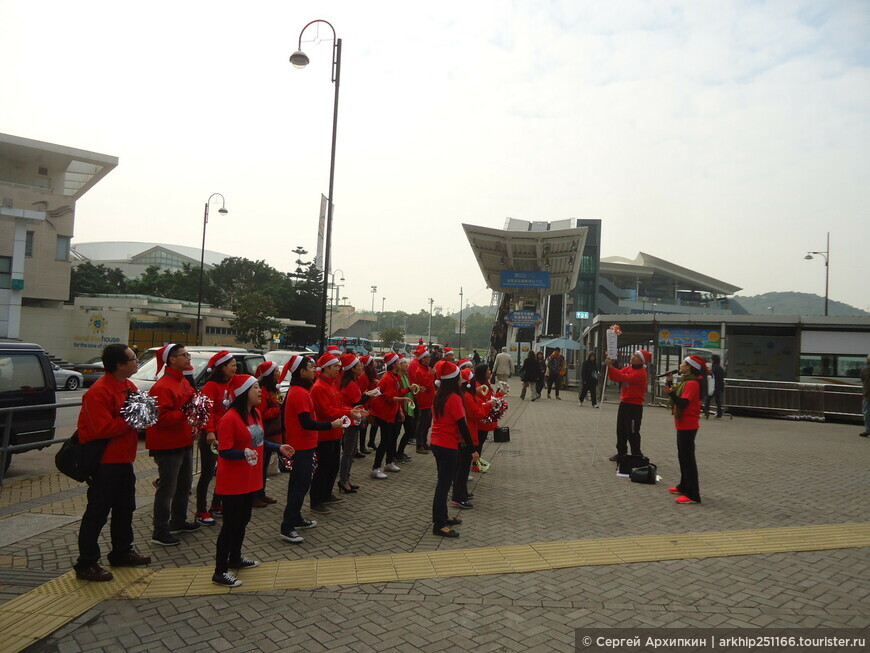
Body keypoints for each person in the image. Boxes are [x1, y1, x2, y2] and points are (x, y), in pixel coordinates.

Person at [73, 343, 150, 581]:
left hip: (124, 459)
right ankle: (86, 562)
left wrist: (143, 416)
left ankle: (121, 552)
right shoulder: (99, 391)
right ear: (119, 365)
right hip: (105, 462)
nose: (137, 361)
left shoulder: (129, 385)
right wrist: (131, 419)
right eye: (133, 358)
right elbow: (101, 428)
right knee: (97, 512)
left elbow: (139, 415)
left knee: (125, 508)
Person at [212, 374, 294, 586]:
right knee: (230, 525)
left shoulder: (255, 413)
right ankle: (220, 571)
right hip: (233, 482)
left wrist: (278, 448)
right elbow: (225, 451)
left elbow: (259, 441)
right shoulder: (229, 419)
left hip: (251, 479)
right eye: (255, 387)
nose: (260, 391)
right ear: (242, 393)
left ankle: (235, 558)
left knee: (243, 521)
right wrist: (243, 454)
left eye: (258, 386)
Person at [279, 356, 344, 544]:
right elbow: (306, 422)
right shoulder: (299, 392)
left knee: (299, 484)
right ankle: (287, 526)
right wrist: (331, 425)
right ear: (302, 371)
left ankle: (296, 518)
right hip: (300, 446)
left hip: (305, 445)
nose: (315, 369)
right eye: (311, 367)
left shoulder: (302, 390)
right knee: (300, 486)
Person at [146, 343, 198, 547]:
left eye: (188, 354)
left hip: (184, 440)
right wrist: (186, 411)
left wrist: (194, 423)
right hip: (168, 445)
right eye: (184, 355)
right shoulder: (162, 386)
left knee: (184, 485)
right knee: (167, 488)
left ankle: (178, 521)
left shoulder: (183, 382)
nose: (188, 358)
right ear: (172, 359)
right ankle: (160, 529)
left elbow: (191, 408)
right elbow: (162, 418)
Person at [430, 360, 478, 537]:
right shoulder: (455, 398)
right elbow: (462, 426)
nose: (461, 379)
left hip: (437, 443)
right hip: (448, 445)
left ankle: (443, 516)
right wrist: (473, 449)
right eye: (459, 376)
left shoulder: (440, 395)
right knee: (443, 486)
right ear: (453, 379)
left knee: (444, 483)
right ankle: (439, 524)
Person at [309, 354, 362, 513]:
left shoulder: (332, 384)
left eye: (338, 366)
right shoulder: (319, 387)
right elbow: (328, 411)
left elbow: (338, 406)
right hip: (325, 434)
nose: (338, 369)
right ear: (326, 368)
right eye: (335, 366)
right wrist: (349, 412)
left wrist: (349, 411)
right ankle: (316, 500)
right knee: (323, 468)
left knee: (332, 466)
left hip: (335, 433)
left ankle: (326, 494)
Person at [195, 351, 237, 525]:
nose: (235, 368)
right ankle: (201, 510)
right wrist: (210, 431)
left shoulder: (230, 384)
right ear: (222, 367)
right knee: (206, 473)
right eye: (232, 365)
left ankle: (216, 505)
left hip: (225, 435)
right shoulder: (210, 386)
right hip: (211, 436)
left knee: (223, 471)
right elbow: (206, 412)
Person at [663, 356, 708, 504]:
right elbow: (678, 396)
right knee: (682, 456)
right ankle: (683, 485)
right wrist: (670, 382)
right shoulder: (686, 381)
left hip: (688, 423)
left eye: (683, 363)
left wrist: (671, 393)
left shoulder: (692, 383)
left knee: (688, 458)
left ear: (689, 367)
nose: (680, 365)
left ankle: (693, 493)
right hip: (683, 423)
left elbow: (683, 403)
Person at [369, 352, 416, 479]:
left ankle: (389, 462)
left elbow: (397, 392)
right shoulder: (388, 378)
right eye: (398, 362)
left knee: (391, 438)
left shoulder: (394, 376)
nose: (401, 364)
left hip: (391, 412)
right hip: (385, 414)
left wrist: (407, 391)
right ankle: (376, 467)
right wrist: (404, 399)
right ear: (393, 364)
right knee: (385, 440)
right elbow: (390, 397)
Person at [605, 350, 651, 462]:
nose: (632, 357)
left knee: (632, 431)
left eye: (635, 356)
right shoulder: (628, 369)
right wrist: (610, 366)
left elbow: (623, 377)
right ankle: (621, 452)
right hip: (624, 403)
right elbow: (616, 377)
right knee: (620, 429)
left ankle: (636, 453)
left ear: (642, 360)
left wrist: (611, 367)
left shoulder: (641, 373)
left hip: (634, 406)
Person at [338, 353, 372, 493]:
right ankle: (343, 481)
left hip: (353, 419)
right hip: (350, 421)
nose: (361, 367)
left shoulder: (353, 382)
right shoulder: (351, 384)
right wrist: (367, 397)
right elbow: (355, 403)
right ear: (352, 368)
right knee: (348, 453)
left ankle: (346, 478)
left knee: (351, 452)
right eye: (359, 365)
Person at [253, 361, 282, 507]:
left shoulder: (273, 390)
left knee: (263, 466)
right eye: (276, 371)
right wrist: (278, 410)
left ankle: (261, 493)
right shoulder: (263, 390)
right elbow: (261, 413)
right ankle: (255, 495)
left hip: (270, 433)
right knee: (259, 466)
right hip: (262, 433)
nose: (279, 373)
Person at [412, 348, 436, 454]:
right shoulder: (420, 371)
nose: (429, 359)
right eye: (427, 357)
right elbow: (428, 385)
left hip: (429, 399)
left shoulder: (426, 369)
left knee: (427, 423)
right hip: (424, 400)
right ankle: (419, 445)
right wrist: (432, 375)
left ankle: (424, 442)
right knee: (422, 423)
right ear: (422, 359)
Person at [395, 356, 417, 463]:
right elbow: (398, 392)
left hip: (407, 408)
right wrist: (408, 389)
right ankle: (396, 454)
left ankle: (399, 452)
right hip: (401, 408)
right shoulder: (398, 377)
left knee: (409, 431)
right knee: (402, 432)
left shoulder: (404, 375)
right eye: (404, 364)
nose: (406, 366)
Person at [704, 354, 726, 419]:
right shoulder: (719, 367)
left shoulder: (714, 368)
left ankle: (706, 411)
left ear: (713, 360)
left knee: (708, 399)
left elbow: (712, 377)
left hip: (714, 386)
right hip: (719, 386)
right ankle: (719, 413)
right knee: (718, 401)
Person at [861, 354, 870, 437]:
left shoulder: (865, 371)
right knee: (866, 413)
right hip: (867, 396)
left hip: (867, 396)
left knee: (867, 414)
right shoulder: (865, 370)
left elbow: (863, 380)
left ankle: (867, 430)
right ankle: (867, 430)